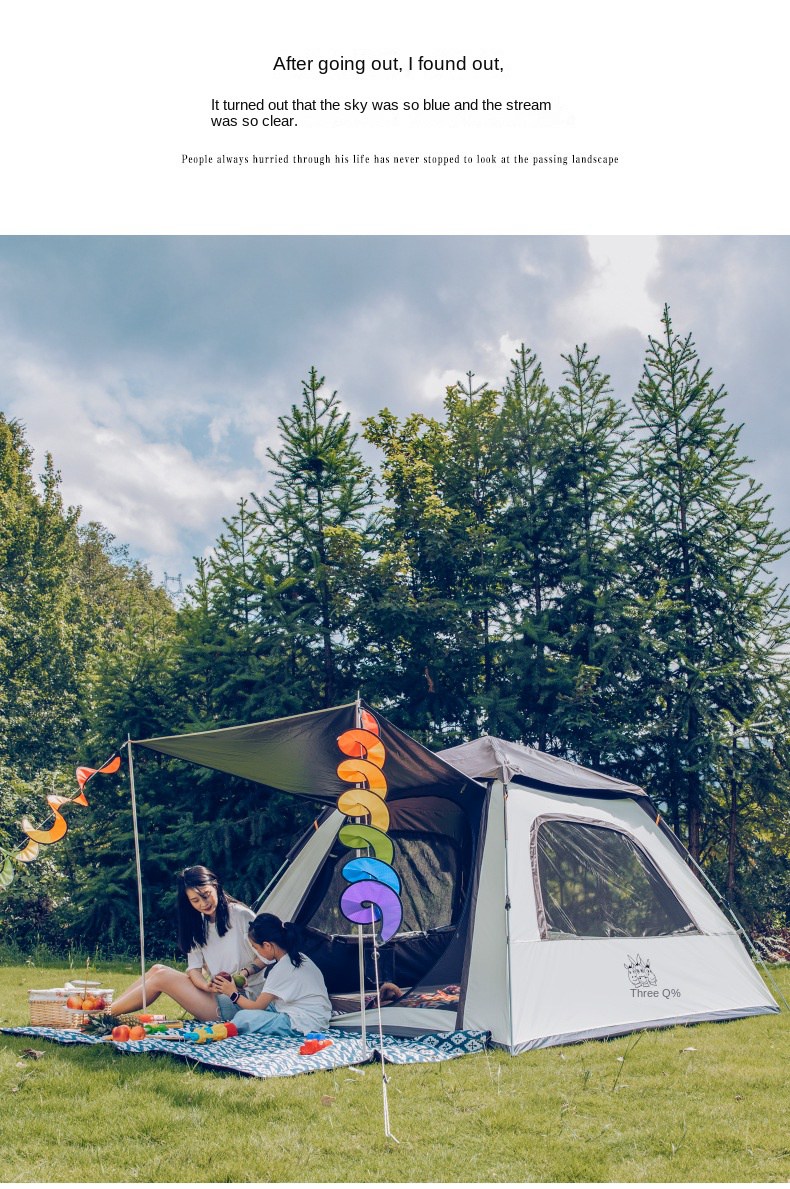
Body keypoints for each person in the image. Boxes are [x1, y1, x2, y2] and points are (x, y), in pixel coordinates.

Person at [109, 865, 267, 1021]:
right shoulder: (198, 923)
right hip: (217, 994)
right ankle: (107, 1011)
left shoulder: (241, 915)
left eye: (206, 895)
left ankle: (103, 1015)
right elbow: (194, 970)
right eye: (195, 900)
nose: (203, 904)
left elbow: (268, 956)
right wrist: (206, 987)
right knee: (157, 969)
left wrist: (244, 973)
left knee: (162, 977)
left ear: (215, 886)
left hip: (242, 1001)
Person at [212, 913, 332, 1036]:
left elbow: (257, 1007)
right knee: (262, 1008)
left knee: (244, 1017)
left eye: (256, 948)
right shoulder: (299, 956)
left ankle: (230, 1028)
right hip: (315, 1015)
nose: (257, 952)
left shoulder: (281, 969)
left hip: (304, 1022)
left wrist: (233, 994)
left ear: (267, 945)